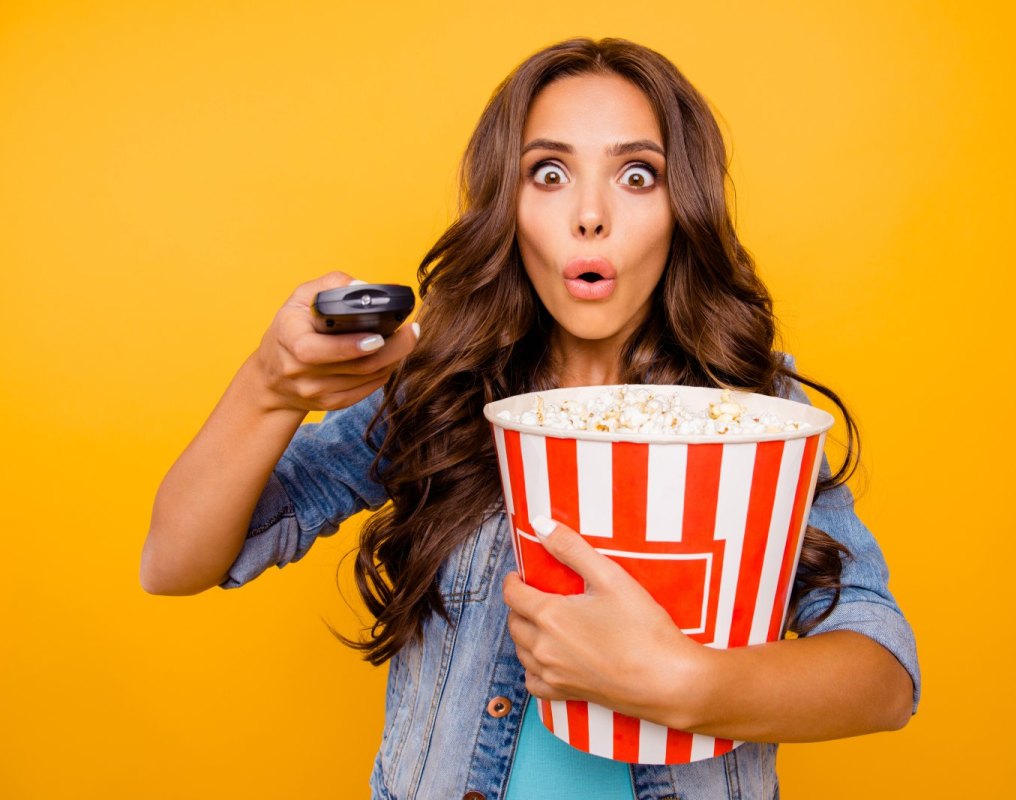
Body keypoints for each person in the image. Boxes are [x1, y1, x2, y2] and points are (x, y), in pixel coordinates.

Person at [142, 36, 920, 800]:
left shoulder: (753, 412)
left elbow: (885, 675)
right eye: (549, 174)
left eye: (637, 176)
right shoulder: (441, 391)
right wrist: (269, 389)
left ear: (684, 208)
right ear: (506, 211)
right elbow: (175, 564)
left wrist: (684, 681)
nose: (589, 214)